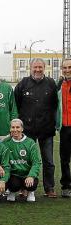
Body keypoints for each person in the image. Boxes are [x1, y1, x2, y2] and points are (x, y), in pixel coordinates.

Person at [14, 58, 58, 197]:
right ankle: (24, 188)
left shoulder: (51, 83)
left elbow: (55, 104)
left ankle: (49, 188)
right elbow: (17, 104)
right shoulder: (23, 84)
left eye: (40, 67)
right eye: (35, 67)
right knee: (26, 161)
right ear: (30, 68)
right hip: (28, 130)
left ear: (44, 68)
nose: (37, 70)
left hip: (46, 129)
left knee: (48, 161)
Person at [3, 119, 41, 202]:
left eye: (17, 127)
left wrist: (31, 175)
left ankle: (31, 192)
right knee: (13, 185)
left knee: (31, 184)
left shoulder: (30, 143)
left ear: (22, 129)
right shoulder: (5, 142)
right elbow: (3, 162)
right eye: (13, 127)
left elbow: (36, 162)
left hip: (27, 174)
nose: (15, 130)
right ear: (10, 129)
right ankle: (12, 191)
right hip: (14, 174)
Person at [57, 58, 71, 197]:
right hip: (64, 128)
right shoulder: (60, 85)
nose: (67, 70)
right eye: (64, 68)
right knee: (64, 159)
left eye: (69, 67)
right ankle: (66, 186)